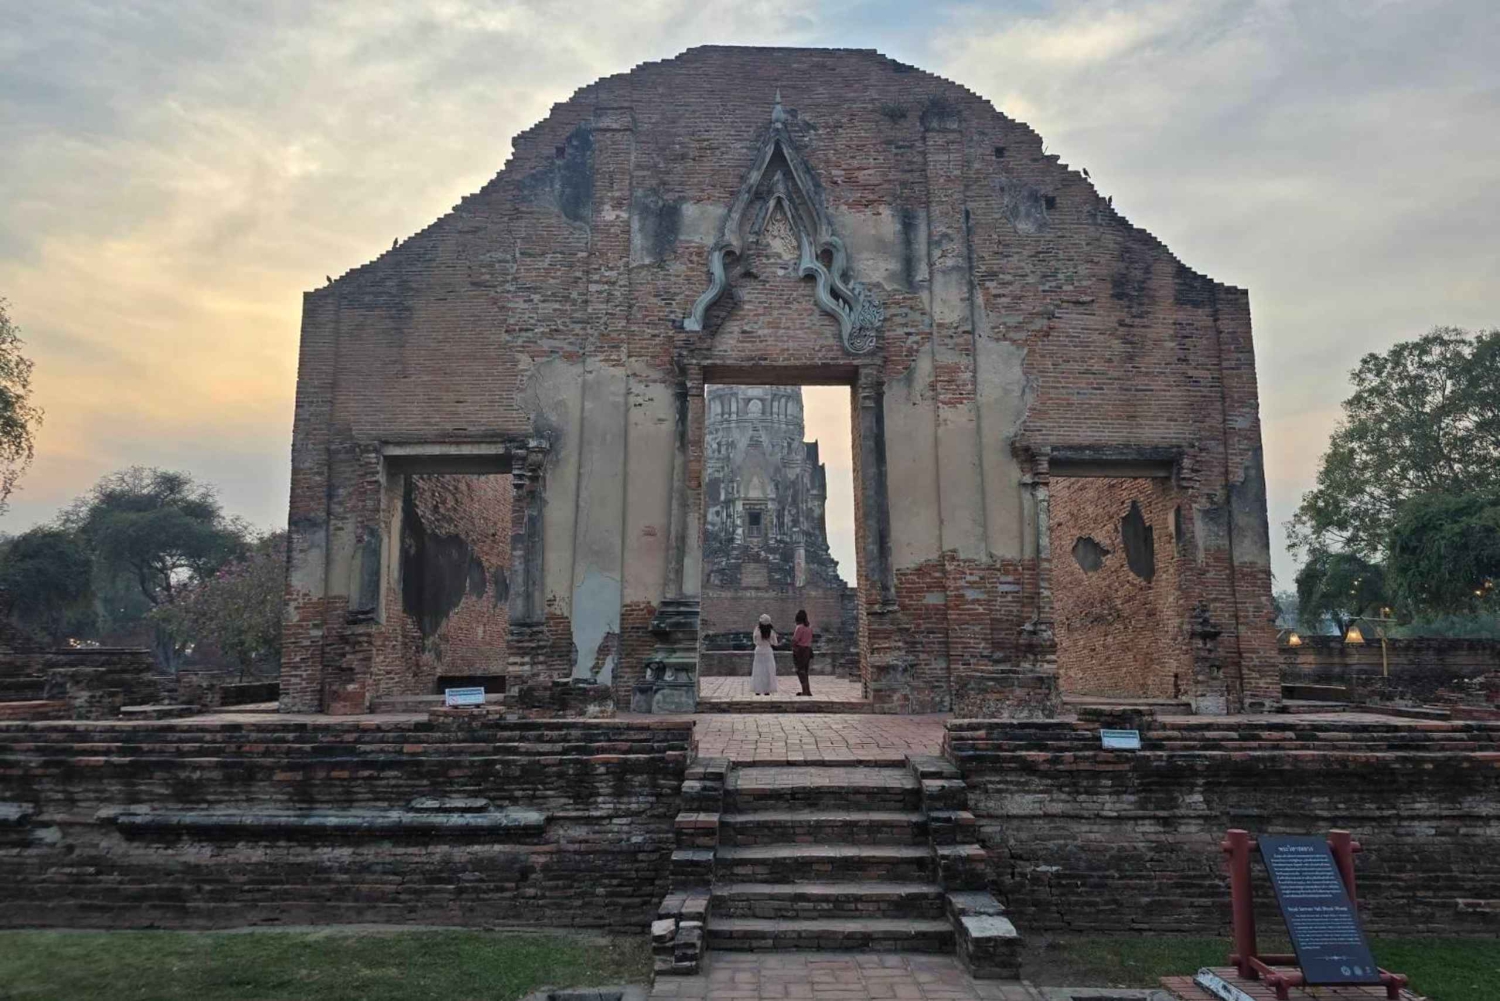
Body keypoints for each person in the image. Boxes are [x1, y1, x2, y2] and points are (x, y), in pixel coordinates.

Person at [750, 614, 779, 695]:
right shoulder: (771, 632)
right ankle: (767, 690)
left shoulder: (757, 630)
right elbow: (775, 643)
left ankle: (757, 689)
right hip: (768, 651)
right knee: (768, 670)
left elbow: (754, 641)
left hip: (759, 651)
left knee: (758, 670)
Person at [791, 609, 814, 697]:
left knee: (800, 670)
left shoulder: (799, 627)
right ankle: (807, 690)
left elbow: (795, 640)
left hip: (800, 650)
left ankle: (804, 690)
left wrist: (793, 646)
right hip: (808, 650)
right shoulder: (809, 627)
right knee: (805, 670)